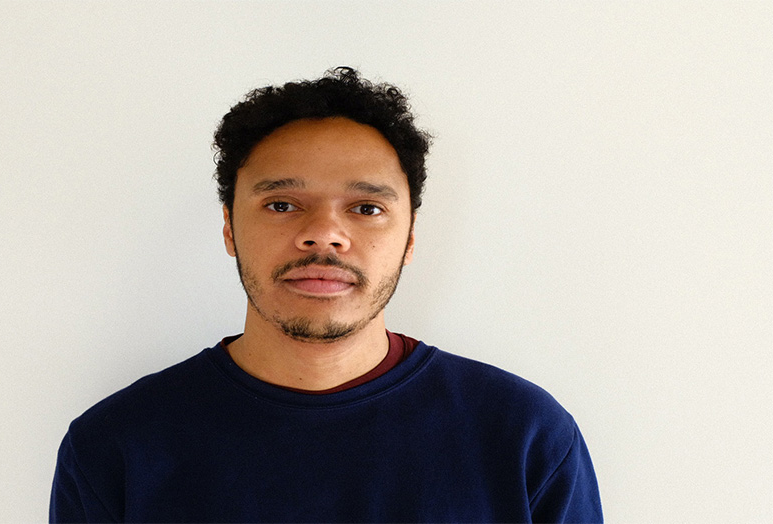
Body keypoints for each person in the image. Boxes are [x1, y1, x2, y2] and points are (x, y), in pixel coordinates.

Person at [50, 67, 603, 523]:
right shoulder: (115, 447)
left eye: (366, 208)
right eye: (282, 205)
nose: (324, 235)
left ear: (409, 238)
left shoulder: (524, 437)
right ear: (229, 228)